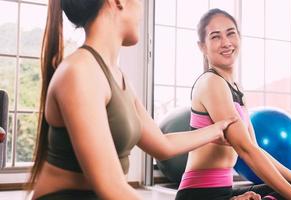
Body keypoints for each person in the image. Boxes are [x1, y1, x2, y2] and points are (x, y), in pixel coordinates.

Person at [27, 1, 238, 200]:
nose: (141, 11)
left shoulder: (118, 76)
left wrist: (217, 129)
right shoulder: (80, 71)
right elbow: (110, 186)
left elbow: (162, 145)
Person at [175, 8, 291, 200]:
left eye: (230, 33)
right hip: (199, 194)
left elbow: (255, 147)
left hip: (225, 191)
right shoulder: (210, 82)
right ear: (202, 47)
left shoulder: (236, 88)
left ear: (239, 37)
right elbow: (245, 150)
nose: (226, 42)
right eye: (215, 37)